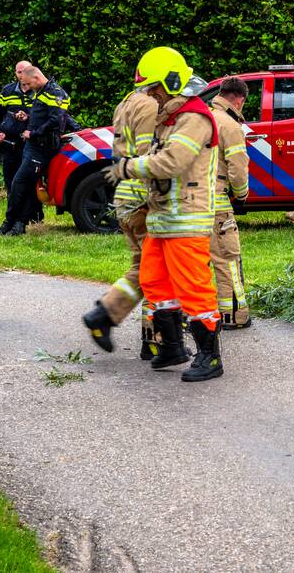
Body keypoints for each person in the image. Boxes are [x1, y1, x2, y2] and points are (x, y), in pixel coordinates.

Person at [100, 47, 224, 382]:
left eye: (154, 87)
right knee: (153, 281)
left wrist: (128, 167)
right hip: (163, 218)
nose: (150, 93)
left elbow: (172, 162)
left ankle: (210, 357)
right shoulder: (169, 119)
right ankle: (171, 347)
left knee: (194, 288)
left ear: (171, 82)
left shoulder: (194, 119)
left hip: (187, 218)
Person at [81, 88, 160, 358]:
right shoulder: (150, 105)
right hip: (141, 197)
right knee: (156, 270)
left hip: (125, 194)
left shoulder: (127, 102)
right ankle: (154, 340)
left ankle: (105, 314)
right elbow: (148, 156)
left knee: (141, 267)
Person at [0, 66, 69, 236]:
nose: (28, 87)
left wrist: (33, 133)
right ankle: (15, 223)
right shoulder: (41, 91)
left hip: (42, 147)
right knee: (24, 184)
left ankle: (15, 222)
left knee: (20, 183)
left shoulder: (56, 93)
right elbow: (43, 117)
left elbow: (56, 121)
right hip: (33, 145)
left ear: (36, 78)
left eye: (29, 84)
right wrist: (28, 118)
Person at [209, 78, 252, 329]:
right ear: (239, 99)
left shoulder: (201, 119)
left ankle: (190, 316)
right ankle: (234, 315)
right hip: (217, 205)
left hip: (190, 205)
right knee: (228, 259)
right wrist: (241, 196)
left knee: (195, 262)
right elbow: (238, 169)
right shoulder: (229, 125)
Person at [0, 60, 33, 197]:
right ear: (15, 73)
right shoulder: (8, 90)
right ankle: (13, 210)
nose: (22, 75)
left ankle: (32, 211)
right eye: (19, 72)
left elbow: (45, 116)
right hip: (9, 145)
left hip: (31, 144)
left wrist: (28, 117)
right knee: (11, 183)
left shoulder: (38, 90)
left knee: (30, 184)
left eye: (25, 71)